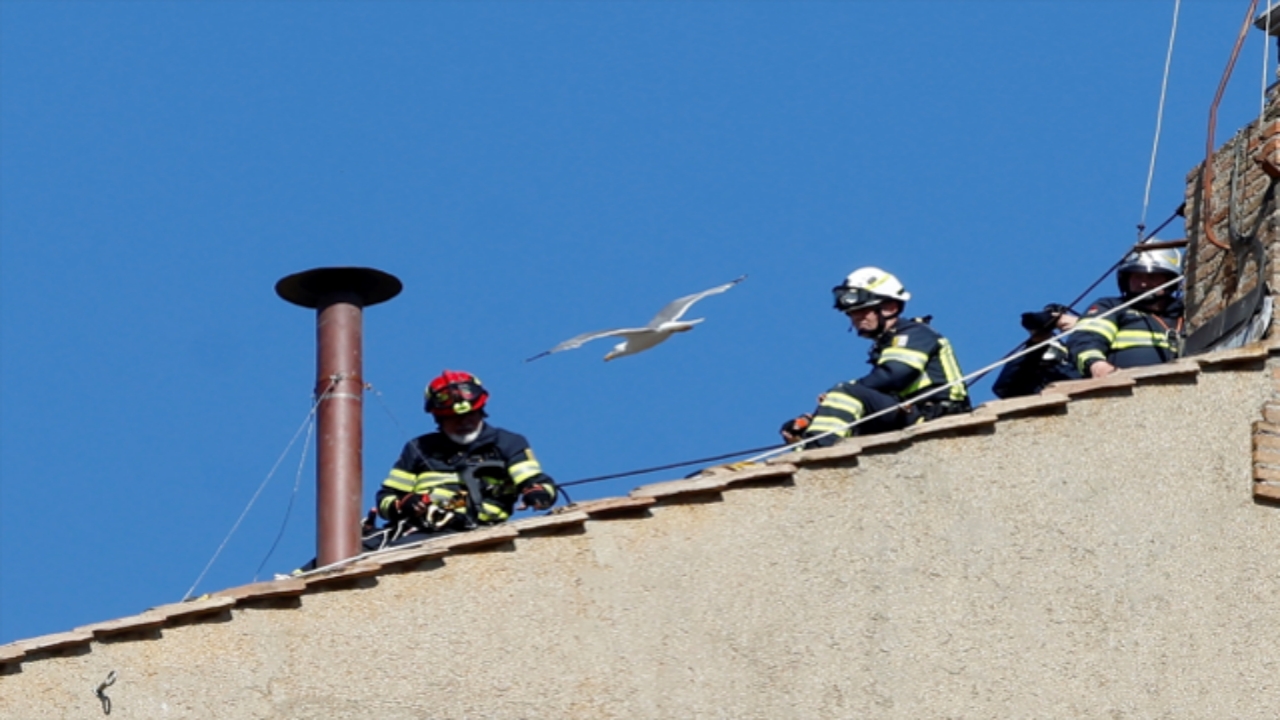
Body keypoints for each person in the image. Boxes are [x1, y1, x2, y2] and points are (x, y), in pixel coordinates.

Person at [781, 267, 971, 448]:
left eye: (864, 310)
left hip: (933, 416)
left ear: (890, 307)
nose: (856, 318)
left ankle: (818, 454)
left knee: (845, 393)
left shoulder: (915, 334)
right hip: (908, 414)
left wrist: (845, 390)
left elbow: (895, 375)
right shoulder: (888, 343)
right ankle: (807, 449)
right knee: (835, 419)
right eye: (852, 313)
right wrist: (815, 419)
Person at [375, 370, 557, 543]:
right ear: (439, 418)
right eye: (453, 418)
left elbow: (536, 482)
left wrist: (539, 493)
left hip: (478, 532)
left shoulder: (508, 443)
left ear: (481, 410)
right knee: (362, 550)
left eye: (471, 415)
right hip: (419, 531)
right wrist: (402, 505)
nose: (464, 423)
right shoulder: (419, 448)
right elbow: (386, 497)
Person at [1068, 247, 1184, 379]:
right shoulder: (1112, 307)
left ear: (1170, 280)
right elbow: (1087, 338)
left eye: (1152, 277)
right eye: (1137, 277)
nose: (1143, 284)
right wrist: (1097, 365)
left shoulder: (1185, 313)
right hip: (1125, 386)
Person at [990, 303, 1082, 398]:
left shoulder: (1081, 349)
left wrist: (1081, 324)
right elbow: (1003, 389)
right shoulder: (1036, 356)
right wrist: (1037, 343)